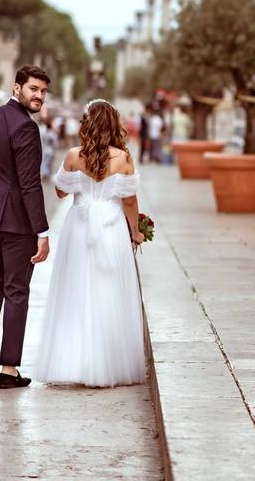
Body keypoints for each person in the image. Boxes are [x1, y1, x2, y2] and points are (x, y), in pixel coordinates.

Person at [34, 99, 146, 387]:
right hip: (111, 226)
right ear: (113, 125)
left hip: (79, 227)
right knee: (108, 291)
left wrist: (79, 185)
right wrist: (135, 230)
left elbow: (59, 192)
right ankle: (107, 362)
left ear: (86, 124)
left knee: (75, 290)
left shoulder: (73, 156)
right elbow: (130, 201)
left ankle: (72, 361)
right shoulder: (123, 159)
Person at [0, 65, 51, 390]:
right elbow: (30, 185)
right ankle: (9, 369)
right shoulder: (26, 128)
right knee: (16, 291)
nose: (38, 96)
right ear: (17, 88)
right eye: (33, 89)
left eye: (43, 91)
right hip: (15, 222)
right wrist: (42, 231)